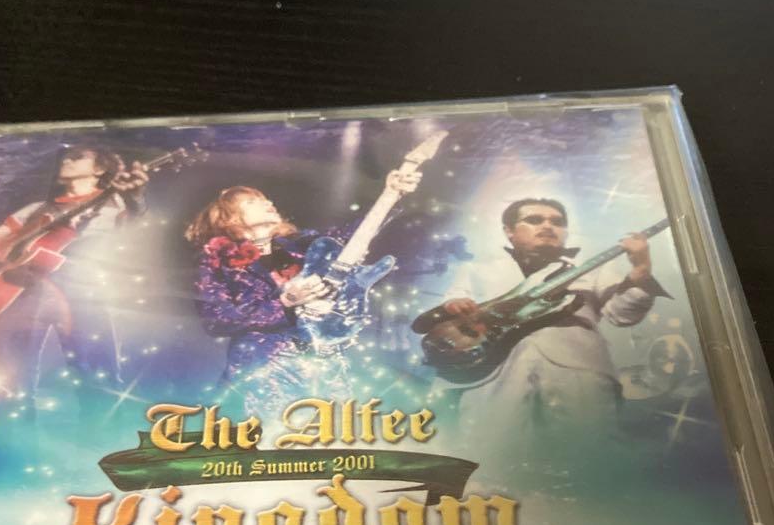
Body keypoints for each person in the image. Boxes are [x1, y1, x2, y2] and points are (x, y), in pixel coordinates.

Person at [435, 197, 666, 464]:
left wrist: (640, 270)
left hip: (578, 371)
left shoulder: (591, 269)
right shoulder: (477, 270)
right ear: (509, 230)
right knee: (490, 458)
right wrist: (454, 306)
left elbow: (623, 315)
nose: (547, 226)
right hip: (493, 373)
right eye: (534, 220)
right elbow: (448, 308)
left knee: (588, 459)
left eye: (557, 222)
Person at [186, 168, 420, 426]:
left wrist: (390, 194)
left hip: (323, 363)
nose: (268, 203)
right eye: (253, 201)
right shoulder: (217, 261)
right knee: (270, 438)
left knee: (334, 436)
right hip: (265, 368)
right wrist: (284, 303)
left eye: (267, 199)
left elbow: (355, 236)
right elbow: (216, 320)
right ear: (230, 217)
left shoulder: (303, 244)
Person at [0, 146, 149, 439]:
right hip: (21, 291)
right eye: (66, 156)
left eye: (78, 156)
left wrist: (135, 196)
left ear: (100, 169)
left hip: (83, 292)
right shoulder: (36, 209)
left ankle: (103, 446)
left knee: (98, 377)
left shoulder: (115, 203)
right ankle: (12, 448)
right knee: (13, 381)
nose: (67, 159)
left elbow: (135, 219)